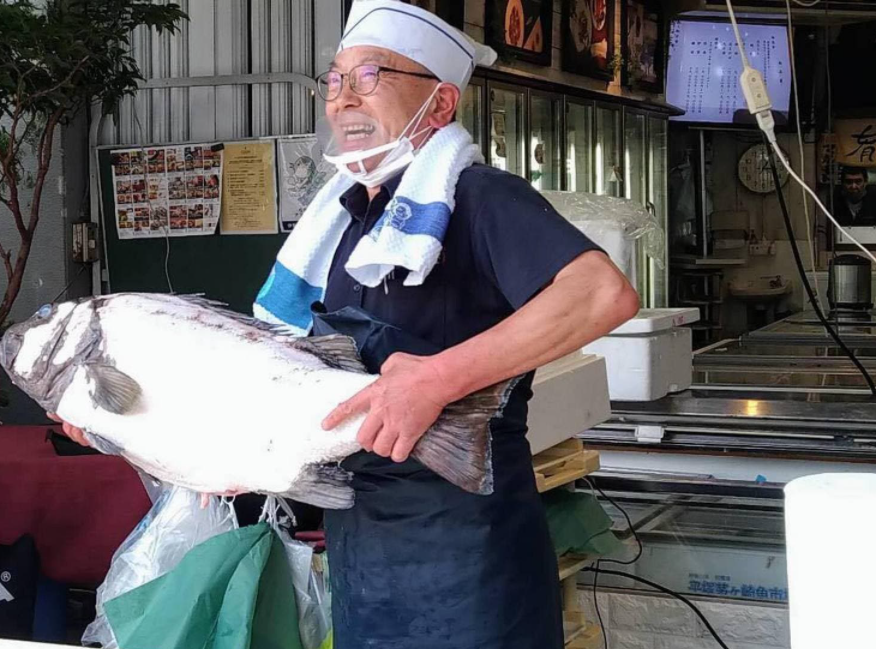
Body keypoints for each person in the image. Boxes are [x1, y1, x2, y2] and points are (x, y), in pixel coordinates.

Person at [55, 2, 637, 647]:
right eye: (333, 81)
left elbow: (599, 295)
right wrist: (132, 426)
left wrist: (436, 380)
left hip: (466, 534)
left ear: (440, 105)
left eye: (369, 77)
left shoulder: (479, 197)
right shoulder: (344, 222)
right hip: (360, 531)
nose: (341, 101)